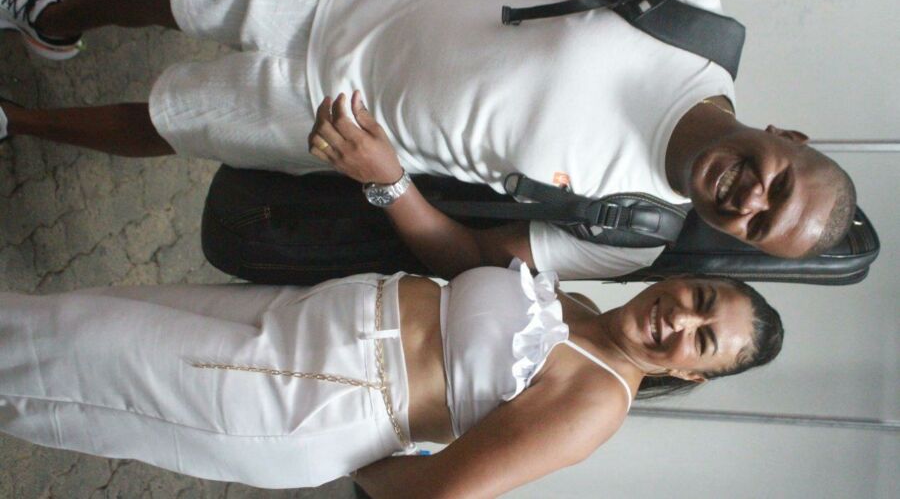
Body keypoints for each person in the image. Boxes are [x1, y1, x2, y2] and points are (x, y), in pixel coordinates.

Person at [0, 0, 855, 280]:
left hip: (328, 123)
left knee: (164, 123)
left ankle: (18, 121)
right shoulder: (694, 20)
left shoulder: (629, 232)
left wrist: (387, 182)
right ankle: (51, 21)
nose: (750, 199)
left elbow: (471, 259)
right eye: (779, 183)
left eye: (758, 225)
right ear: (791, 136)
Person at [0, 258, 784, 493]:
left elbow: (441, 493)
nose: (680, 320)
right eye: (700, 300)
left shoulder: (596, 405)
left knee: (62, 352)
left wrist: (345, 447)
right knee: (76, 323)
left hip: (310, 391)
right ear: (686, 279)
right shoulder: (577, 305)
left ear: (694, 374)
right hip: (306, 317)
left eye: (702, 341)